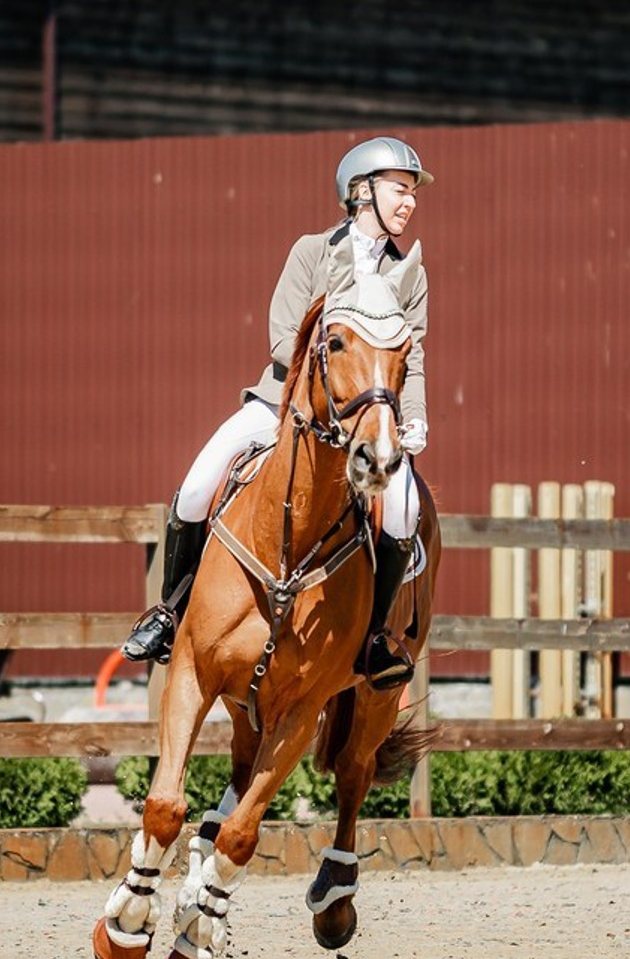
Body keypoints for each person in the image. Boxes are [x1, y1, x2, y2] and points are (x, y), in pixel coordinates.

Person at [122, 136, 433, 690]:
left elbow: (414, 354)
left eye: (413, 193)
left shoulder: (408, 271)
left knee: (405, 511)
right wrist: (330, 389)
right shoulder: (311, 252)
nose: (409, 202)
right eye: (399, 189)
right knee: (196, 485)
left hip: (368, 421)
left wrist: (413, 416)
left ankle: (374, 639)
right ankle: (170, 613)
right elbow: (281, 337)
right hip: (284, 405)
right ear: (362, 191)